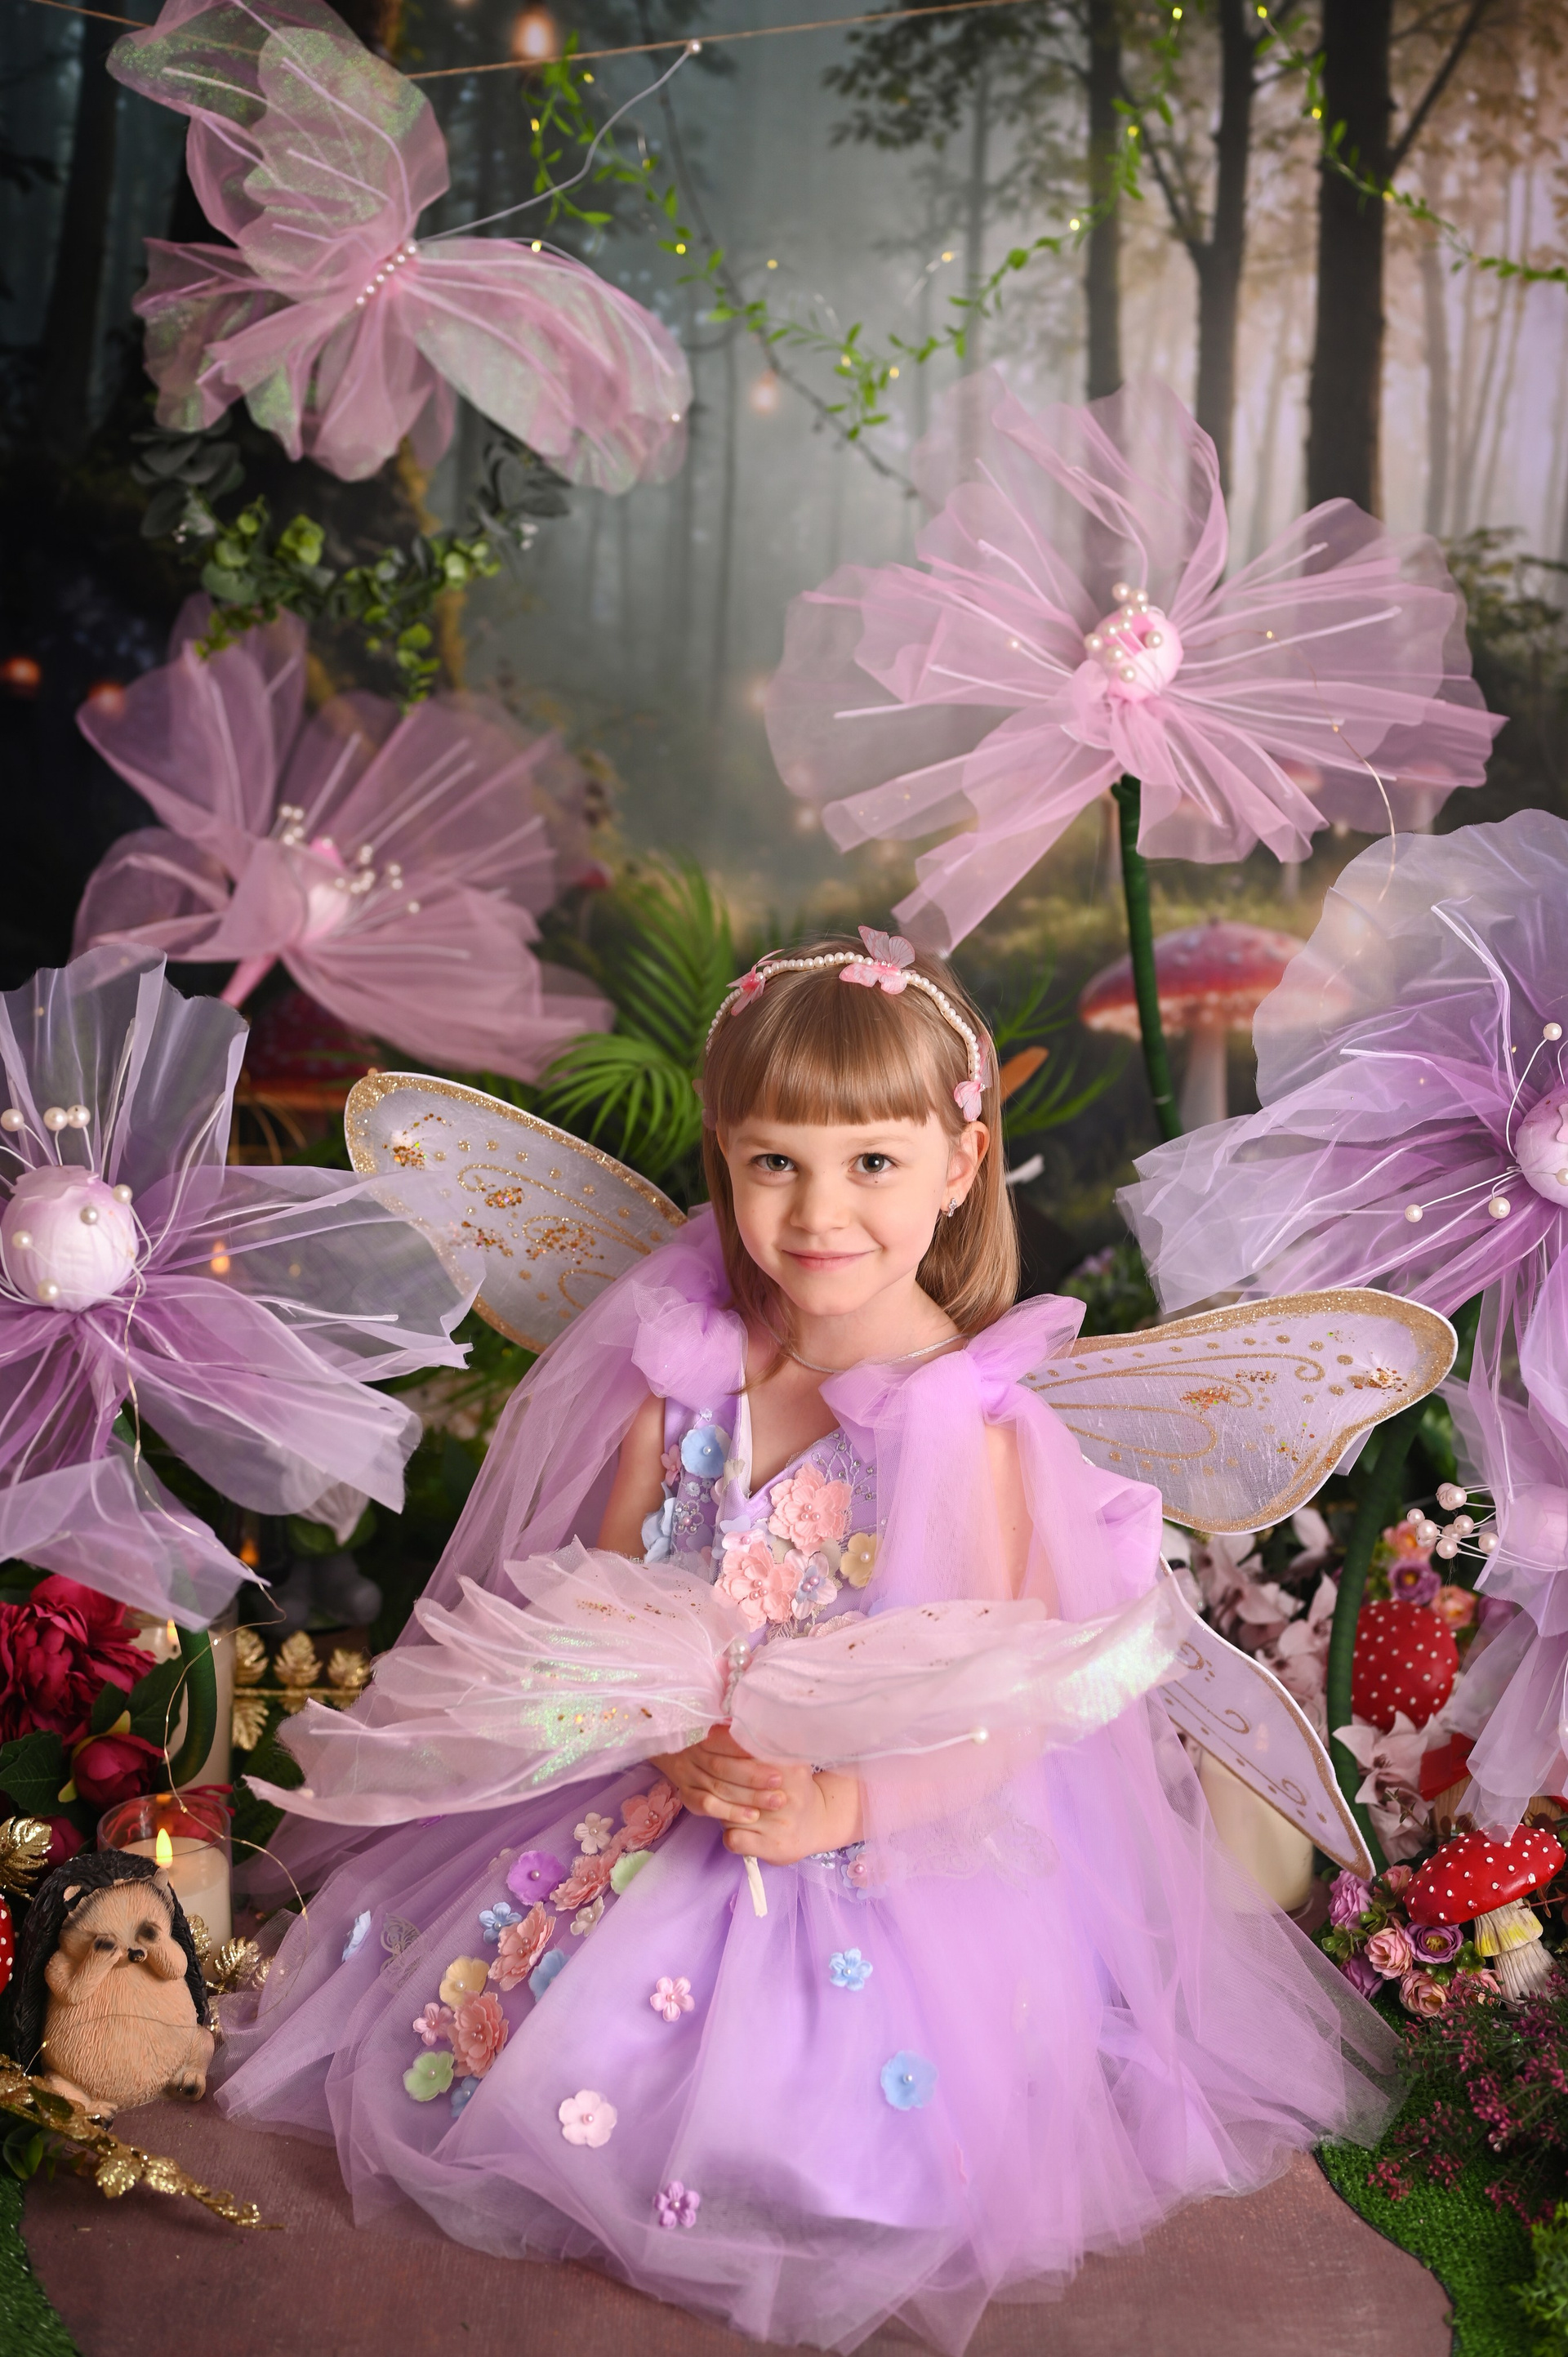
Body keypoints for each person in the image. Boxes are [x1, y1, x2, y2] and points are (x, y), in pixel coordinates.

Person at [215, 932, 1398, 2356]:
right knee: (502, 2020)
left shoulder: (974, 1436)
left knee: (812, 2109)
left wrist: (842, 1802)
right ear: (724, 1157)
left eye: (873, 1162)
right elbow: (605, 1608)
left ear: (961, 1163)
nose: (820, 1211)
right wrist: (660, 1727)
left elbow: (1010, 1716)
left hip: (881, 1838)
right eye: (775, 1161)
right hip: (671, 1786)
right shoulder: (684, 1379)